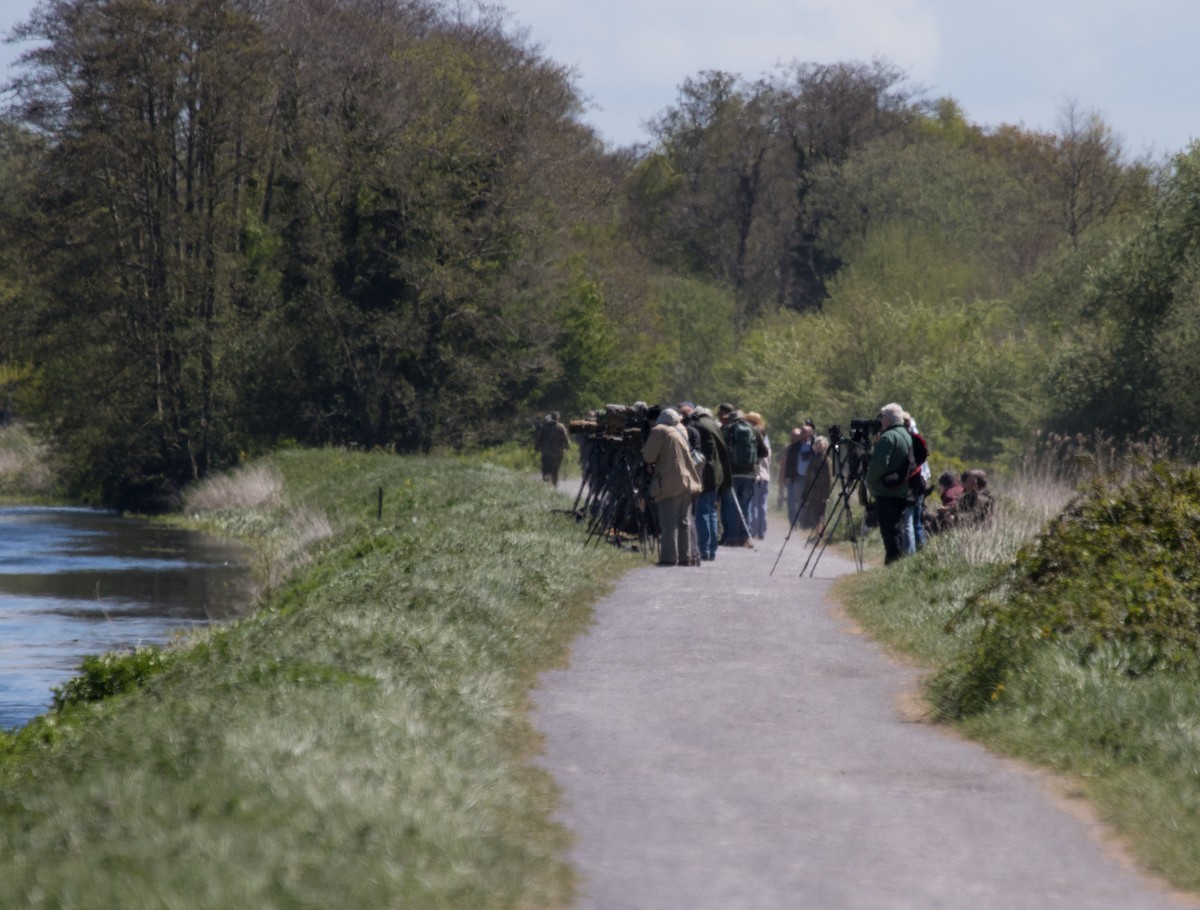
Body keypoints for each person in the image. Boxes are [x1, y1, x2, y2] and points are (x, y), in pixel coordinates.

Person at [642, 408, 702, 566]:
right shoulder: (682, 429)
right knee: (684, 521)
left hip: (669, 482)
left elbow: (648, 456)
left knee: (669, 522)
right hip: (687, 480)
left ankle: (669, 557)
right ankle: (685, 557)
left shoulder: (659, 431)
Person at [865, 402, 914, 564]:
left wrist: (869, 482)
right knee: (897, 530)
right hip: (901, 490)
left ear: (888, 419)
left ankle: (893, 565)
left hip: (886, 491)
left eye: (882, 417)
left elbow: (879, 465)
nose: (881, 420)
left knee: (889, 534)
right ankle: (897, 565)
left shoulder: (888, 437)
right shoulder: (906, 435)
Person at [684, 405, 732, 561]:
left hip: (706, 474)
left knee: (702, 511)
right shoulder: (713, 425)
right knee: (711, 511)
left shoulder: (699, 426)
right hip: (716, 474)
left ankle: (704, 549)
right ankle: (711, 549)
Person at [721, 408, 768, 547]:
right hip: (749, 474)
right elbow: (764, 452)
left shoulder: (727, 430)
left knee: (731, 505)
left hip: (732, 473)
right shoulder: (753, 431)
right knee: (746, 505)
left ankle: (731, 537)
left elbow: (721, 450)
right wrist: (753, 460)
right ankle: (746, 537)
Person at [799, 434, 835, 537]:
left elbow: (829, 478)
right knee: (814, 513)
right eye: (817, 443)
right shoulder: (813, 458)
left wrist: (827, 493)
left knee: (821, 513)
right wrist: (805, 492)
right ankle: (816, 532)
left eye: (821, 443)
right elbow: (808, 476)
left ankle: (820, 533)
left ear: (825, 445)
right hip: (812, 491)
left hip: (821, 491)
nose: (819, 445)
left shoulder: (827, 460)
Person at [781, 423, 816, 528]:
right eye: (802, 432)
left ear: (810, 434)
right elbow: (789, 462)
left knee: (807, 501)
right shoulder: (794, 447)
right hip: (797, 477)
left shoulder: (814, 446)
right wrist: (787, 476)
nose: (803, 434)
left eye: (806, 432)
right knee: (797, 500)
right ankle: (795, 522)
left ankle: (805, 523)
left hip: (810, 478)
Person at [744, 411, 771, 540]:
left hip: (755, 475)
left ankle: (753, 531)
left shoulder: (752, 436)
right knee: (762, 505)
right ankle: (762, 532)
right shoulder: (766, 438)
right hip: (766, 475)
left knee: (753, 504)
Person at [534, 412, 570, 487]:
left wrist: (537, 447)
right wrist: (567, 446)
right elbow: (566, 439)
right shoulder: (561, 426)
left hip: (546, 452)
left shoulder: (545, 427)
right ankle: (554, 485)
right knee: (555, 470)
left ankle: (546, 481)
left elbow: (539, 438)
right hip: (558, 453)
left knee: (545, 469)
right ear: (558, 418)